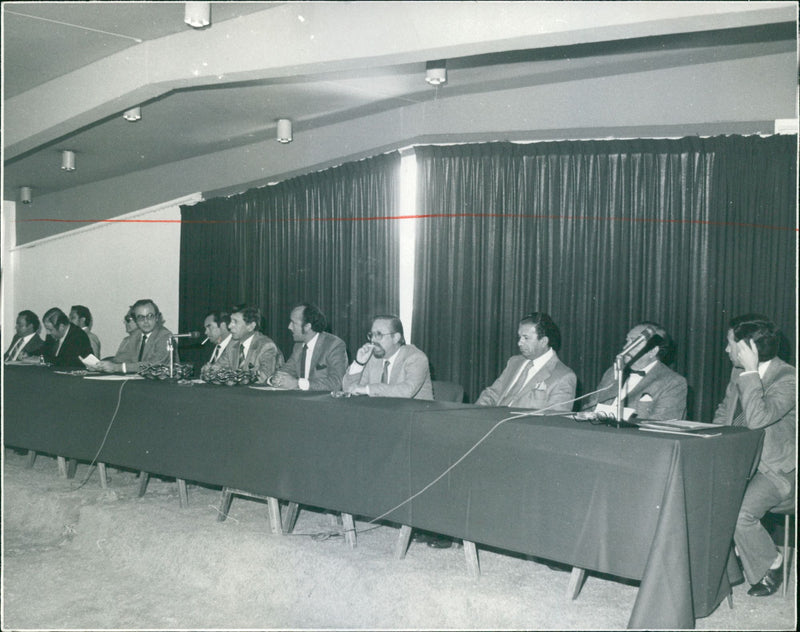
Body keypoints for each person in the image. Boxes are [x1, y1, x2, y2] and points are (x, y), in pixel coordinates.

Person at [712, 314, 796, 597]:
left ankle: (771, 562)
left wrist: (750, 372)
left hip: (777, 470)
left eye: (730, 343)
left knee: (740, 513)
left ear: (748, 349)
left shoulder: (789, 379)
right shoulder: (738, 373)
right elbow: (726, 411)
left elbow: (758, 418)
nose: (726, 350)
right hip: (740, 462)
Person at [582, 322, 687, 420]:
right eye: (627, 341)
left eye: (634, 342)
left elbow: (661, 426)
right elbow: (589, 408)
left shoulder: (673, 383)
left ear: (653, 351)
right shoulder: (612, 372)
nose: (625, 347)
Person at [476, 312, 576, 412]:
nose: (519, 343)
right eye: (520, 337)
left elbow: (553, 422)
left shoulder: (564, 377)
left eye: (526, 338)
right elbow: (492, 394)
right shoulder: (514, 362)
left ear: (543, 341)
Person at [342, 314, 433, 399]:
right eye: (371, 335)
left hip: (414, 414)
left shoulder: (416, 358)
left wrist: (367, 389)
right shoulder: (372, 358)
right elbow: (348, 389)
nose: (373, 340)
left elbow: (407, 391)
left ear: (396, 338)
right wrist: (359, 363)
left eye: (379, 335)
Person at [270, 303, 348, 391]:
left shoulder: (334, 345)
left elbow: (337, 382)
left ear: (307, 326)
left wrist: (298, 384)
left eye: (293, 323)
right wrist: (274, 379)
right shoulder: (298, 346)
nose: (289, 327)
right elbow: (285, 371)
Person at [95, 299, 173, 374]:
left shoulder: (165, 336)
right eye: (140, 317)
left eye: (150, 316)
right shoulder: (135, 336)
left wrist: (117, 368)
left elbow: (155, 365)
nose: (145, 321)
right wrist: (100, 366)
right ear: (135, 320)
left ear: (157, 318)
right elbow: (120, 360)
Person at [216, 304, 283, 383]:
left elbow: (265, 376)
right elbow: (217, 368)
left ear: (251, 326)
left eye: (235, 322)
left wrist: (233, 378)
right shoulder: (232, 344)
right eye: (230, 321)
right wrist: (210, 370)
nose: (230, 326)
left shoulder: (266, 346)